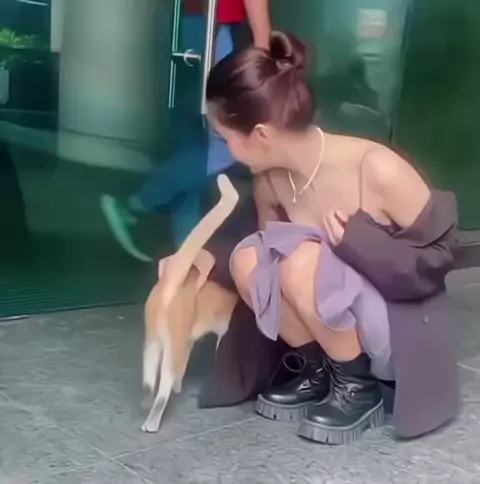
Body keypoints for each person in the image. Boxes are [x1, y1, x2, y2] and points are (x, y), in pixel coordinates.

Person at [183, 31, 459, 445]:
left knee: (300, 262)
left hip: (398, 330)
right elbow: (265, 271)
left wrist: (361, 243)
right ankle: (319, 371)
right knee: (252, 258)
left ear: (261, 135)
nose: (228, 150)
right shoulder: (271, 181)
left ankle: (359, 389)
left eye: (227, 139)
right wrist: (199, 259)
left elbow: (440, 257)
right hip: (335, 324)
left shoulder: (374, 167)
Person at [100, 0, 271, 260]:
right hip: (215, 28)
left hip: (188, 25)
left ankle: (186, 252)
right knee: (227, 147)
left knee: (192, 142)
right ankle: (137, 202)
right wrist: (264, 56)